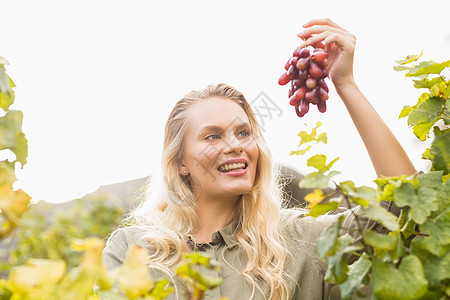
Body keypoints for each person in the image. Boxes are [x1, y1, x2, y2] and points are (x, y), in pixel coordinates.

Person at [102, 19, 416, 300]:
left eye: (243, 133)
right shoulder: (133, 251)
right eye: (213, 136)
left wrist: (345, 83)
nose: (235, 145)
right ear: (180, 162)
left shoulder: (302, 240)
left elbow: (403, 209)